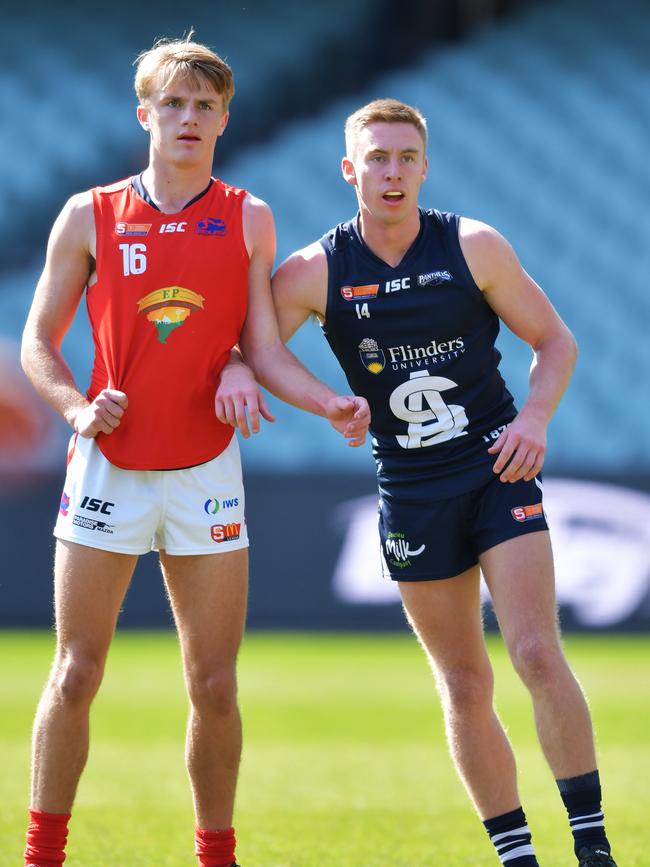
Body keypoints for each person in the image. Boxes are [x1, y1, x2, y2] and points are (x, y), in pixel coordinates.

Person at [20, 36, 369, 867]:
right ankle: (42, 856)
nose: (188, 117)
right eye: (172, 103)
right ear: (144, 115)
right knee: (75, 672)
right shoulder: (89, 214)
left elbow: (265, 347)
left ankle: (216, 856)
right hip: (109, 468)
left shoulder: (248, 216)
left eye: (204, 105)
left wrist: (326, 400)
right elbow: (37, 341)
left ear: (223, 119)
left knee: (214, 684)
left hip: (208, 471)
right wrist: (75, 406)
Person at [264, 99, 617, 867]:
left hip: (496, 466)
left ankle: (592, 847)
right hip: (409, 486)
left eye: (405, 158)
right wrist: (325, 399)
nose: (392, 173)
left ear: (425, 167)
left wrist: (534, 419)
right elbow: (253, 349)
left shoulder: (473, 245)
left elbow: (555, 341)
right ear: (349, 169)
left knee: (534, 650)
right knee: (462, 679)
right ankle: (517, 854)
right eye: (377, 158)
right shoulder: (314, 270)